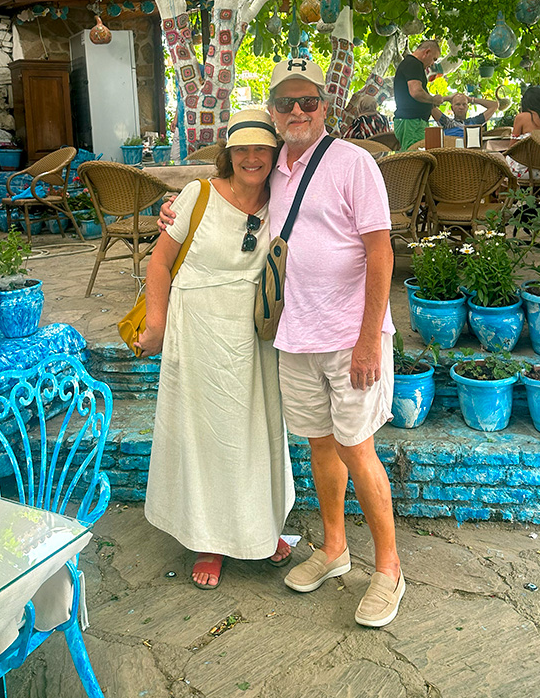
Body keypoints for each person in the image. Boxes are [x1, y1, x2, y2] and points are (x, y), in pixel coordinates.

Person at [160, 57, 404, 628]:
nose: (297, 111)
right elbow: (223, 194)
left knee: (357, 449)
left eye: (309, 102)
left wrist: (371, 339)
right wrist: (170, 207)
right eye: (286, 103)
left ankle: (389, 570)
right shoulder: (274, 172)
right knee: (321, 447)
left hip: (349, 338)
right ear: (272, 112)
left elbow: (380, 252)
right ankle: (335, 548)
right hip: (293, 336)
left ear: (326, 106)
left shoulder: (354, 164)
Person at [139, 109, 295, 589]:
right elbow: (160, 264)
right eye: (242, 149)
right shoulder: (196, 196)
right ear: (228, 154)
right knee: (208, 436)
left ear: (274, 154)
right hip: (198, 329)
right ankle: (209, 538)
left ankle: (261, 527)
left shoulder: (284, 199)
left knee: (257, 431)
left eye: (261, 149)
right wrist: (157, 324)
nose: (252, 158)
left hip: (253, 332)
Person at [392, 40, 446, 150]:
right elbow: (416, 92)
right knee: (413, 160)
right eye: (434, 59)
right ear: (427, 52)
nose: (432, 64)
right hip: (412, 122)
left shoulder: (411, 64)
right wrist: (433, 100)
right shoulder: (414, 64)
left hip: (413, 122)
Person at [431, 92, 499, 138]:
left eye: (464, 104)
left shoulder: (474, 122)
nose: (461, 107)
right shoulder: (447, 122)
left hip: (471, 154)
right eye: (458, 104)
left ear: (467, 107)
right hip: (452, 153)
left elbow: (494, 105)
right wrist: (447, 98)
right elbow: (429, 105)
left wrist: (471, 99)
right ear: (452, 108)